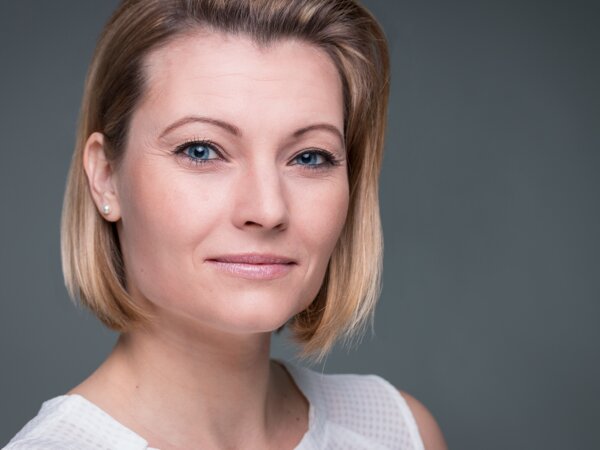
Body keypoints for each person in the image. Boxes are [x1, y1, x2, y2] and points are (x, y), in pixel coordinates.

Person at [5, 0, 447, 449]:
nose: (268, 209)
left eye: (309, 157)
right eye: (201, 151)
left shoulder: (398, 432)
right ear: (106, 178)